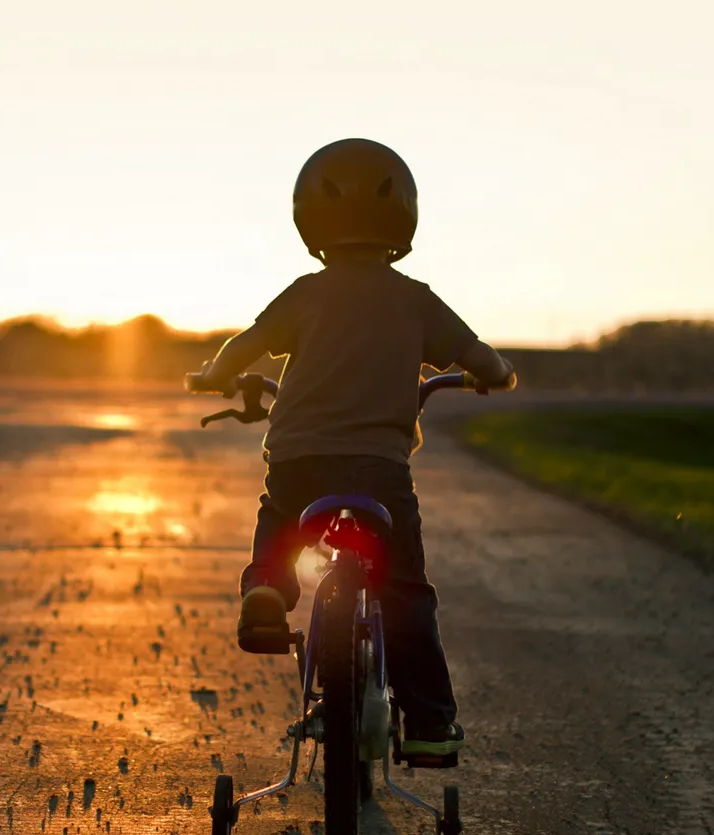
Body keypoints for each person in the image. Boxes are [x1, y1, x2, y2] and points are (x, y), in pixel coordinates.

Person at [192, 138, 515, 757]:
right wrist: (497, 373)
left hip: (298, 457)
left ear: (308, 218)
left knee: (281, 520)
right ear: (404, 216)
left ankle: (266, 585)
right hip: (378, 470)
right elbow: (479, 357)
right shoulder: (415, 298)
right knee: (405, 589)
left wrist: (212, 373)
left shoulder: (305, 293)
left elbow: (247, 344)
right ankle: (425, 725)